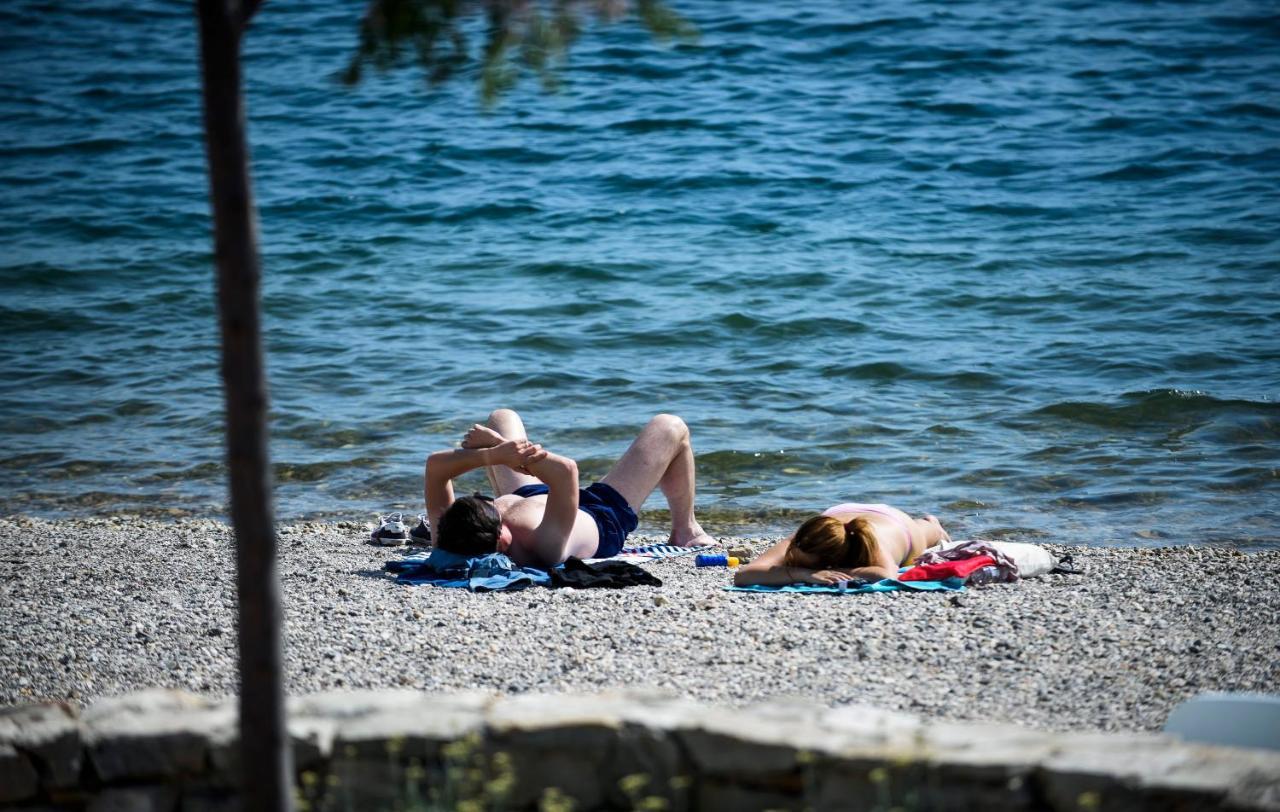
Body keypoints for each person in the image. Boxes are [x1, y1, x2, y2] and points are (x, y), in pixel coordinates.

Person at [424, 409, 713, 568]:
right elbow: (565, 472)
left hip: (532, 497)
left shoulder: (449, 537)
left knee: (502, 416)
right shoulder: (542, 547)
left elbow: (435, 468)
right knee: (671, 427)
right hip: (599, 516)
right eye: (494, 511)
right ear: (502, 540)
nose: (495, 504)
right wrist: (503, 450)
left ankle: (504, 443)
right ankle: (685, 529)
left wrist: (491, 456)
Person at [733, 502, 949, 586]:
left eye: (804, 564)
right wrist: (802, 573)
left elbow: (887, 574)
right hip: (837, 515)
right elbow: (744, 574)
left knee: (926, 532)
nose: (790, 559)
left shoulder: (870, 542)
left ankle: (931, 524)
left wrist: (840, 572)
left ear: (830, 562)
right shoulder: (803, 540)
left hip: (896, 524)